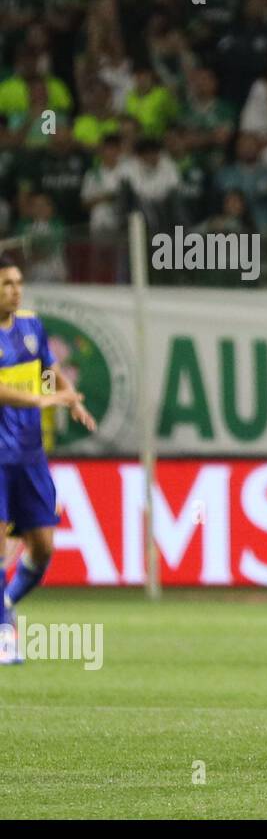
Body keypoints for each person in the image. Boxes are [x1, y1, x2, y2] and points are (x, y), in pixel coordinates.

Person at [0, 256, 97, 664]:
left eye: (18, 282)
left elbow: (49, 368)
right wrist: (42, 399)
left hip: (29, 454)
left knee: (42, 547)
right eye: (6, 284)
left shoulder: (30, 325)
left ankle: (5, 601)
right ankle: (6, 633)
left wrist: (70, 398)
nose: (15, 290)